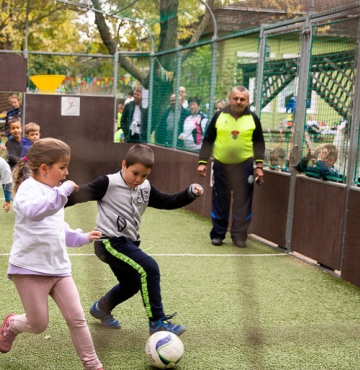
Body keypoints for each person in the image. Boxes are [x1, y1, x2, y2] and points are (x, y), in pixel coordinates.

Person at [0, 137, 122, 370]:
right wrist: (62, 192)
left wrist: (82, 237)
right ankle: (12, 324)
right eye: (62, 167)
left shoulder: (54, 193)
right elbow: (35, 212)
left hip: (59, 270)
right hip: (29, 269)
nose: (67, 172)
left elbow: (58, 230)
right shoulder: (28, 190)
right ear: (44, 168)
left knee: (77, 319)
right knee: (39, 324)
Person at [66, 144, 203, 336]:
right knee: (150, 268)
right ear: (124, 165)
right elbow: (78, 195)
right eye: (135, 173)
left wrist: (189, 193)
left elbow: (166, 201)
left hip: (128, 244)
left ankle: (100, 308)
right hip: (108, 242)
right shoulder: (108, 183)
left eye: (144, 175)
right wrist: (50, 202)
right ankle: (157, 322)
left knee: (132, 284)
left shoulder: (145, 187)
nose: (138, 180)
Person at [197, 86, 265, 248]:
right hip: (221, 166)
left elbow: (259, 144)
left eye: (242, 99)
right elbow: (208, 140)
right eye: (235, 98)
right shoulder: (219, 116)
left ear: (247, 101)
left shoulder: (253, 119)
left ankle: (239, 237)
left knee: (242, 202)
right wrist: (202, 162)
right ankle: (218, 234)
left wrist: (259, 166)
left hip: (245, 167)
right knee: (220, 200)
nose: (238, 102)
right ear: (230, 98)